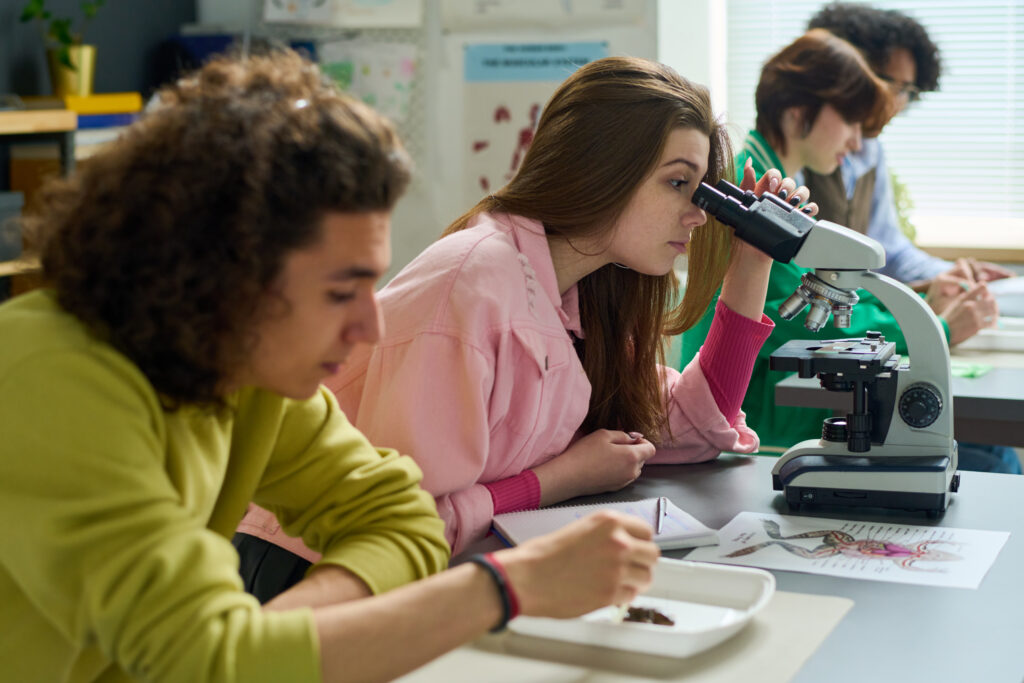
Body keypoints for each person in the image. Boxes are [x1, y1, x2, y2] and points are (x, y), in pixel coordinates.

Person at [0, 51, 663, 683]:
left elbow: (398, 513)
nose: (370, 326)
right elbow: (206, 663)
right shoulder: (51, 378)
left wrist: (265, 633)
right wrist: (506, 585)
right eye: (340, 290)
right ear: (225, 270)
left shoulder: (243, 363)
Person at [237, 55, 816, 581]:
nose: (696, 215)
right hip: (310, 572)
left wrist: (754, 257)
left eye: (702, 192)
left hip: (440, 567)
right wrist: (560, 479)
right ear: (598, 171)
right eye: (677, 184)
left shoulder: (582, 292)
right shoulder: (474, 285)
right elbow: (407, 527)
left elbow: (690, 424)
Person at [680, 29, 1020, 475]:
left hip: (768, 405)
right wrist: (935, 328)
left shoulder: (777, 180)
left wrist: (922, 301)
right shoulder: (754, 192)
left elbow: (829, 293)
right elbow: (797, 319)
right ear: (799, 112)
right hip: (758, 421)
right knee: (990, 461)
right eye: (852, 123)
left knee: (990, 454)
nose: (858, 143)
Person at [804, 2, 1015, 290]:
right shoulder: (801, 153)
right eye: (890, 84)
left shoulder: (872, 152)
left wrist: (956, 273)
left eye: (907, 91)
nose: (895, 102)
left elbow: (890, 252)